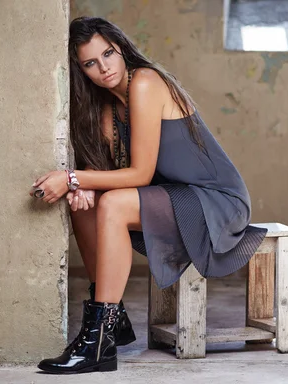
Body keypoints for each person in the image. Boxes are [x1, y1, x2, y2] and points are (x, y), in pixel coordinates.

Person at [32, 16, 267, 374]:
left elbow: (139, 174)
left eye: (108, 53)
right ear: (82, 71)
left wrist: (73, 178)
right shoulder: (106, 107)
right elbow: (113, 173)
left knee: (109, 201)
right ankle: (114, 320)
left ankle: (97, 343)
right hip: (172, 195)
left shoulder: (145, 82)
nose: (104, 67)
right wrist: (82, 186)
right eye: (90, 63)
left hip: (215, 199)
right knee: (85, 209)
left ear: (122, 48)